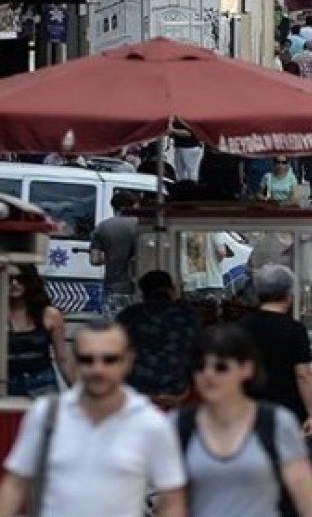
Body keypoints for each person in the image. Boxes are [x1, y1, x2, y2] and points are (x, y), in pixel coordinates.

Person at [0, 320, 187, 517]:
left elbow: (172, 500)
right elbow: (15, 484)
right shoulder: (47, 414)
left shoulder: (150, 423)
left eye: (110, 359)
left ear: (128, 360)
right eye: (87, 359)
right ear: (76, 361)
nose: (98, 369)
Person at [176, 324, 312, 517]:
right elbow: (171, 503)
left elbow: (308, 500)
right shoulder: (180, 426)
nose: (208, 374)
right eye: (200, 367)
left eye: (221, 367)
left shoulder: (276, 424)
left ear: (246, 368)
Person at [241, 265, 312, 464]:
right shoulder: (295, 329)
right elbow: (303, 374)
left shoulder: (241, 327)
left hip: (250, 407)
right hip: (288, 408)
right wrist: (311, 414)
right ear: (288, 295)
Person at [117, 270, 200, 408]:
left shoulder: (129, 316)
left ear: (143, 293)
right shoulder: (188, 315)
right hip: (177, 388)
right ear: (171, 289)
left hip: (136, 390)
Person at [6, 265, 74, 396]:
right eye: (9, 279)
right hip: (6, 385)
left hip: (42, 384)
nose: (14, 284)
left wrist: (81, 395)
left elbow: (63, 359)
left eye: (21, 279)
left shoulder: (49, 315)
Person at [90, 190, 139, 318]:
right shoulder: (141, 225)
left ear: (114, 207)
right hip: (139, 289)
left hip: (113, 288)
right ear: (133, 206)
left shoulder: (102, 227)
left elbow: (95, 260)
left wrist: (112, 257)